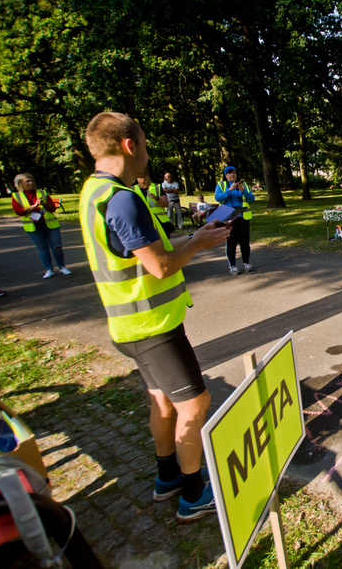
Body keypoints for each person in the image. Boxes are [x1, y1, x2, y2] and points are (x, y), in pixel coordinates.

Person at [79, 112, 231, 523]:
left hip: (128, 325)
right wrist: (197, 245)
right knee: (195, 404)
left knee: (163, 402)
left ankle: (168, 479)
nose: (147, 153)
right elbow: (160, 266)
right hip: (152, 329)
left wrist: (198, 235)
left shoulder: (96, 191)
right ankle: (194, 494)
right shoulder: (123, 199)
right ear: (129, 146)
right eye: (144, 144)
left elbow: (146, 250)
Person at [11, 173, 72, 279]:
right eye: (27, 181)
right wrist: (33, 206)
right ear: (20, 183)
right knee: (43, 248)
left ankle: (62, 267)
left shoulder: (42, 192)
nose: (31, 183)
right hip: (33, 226)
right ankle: (49, 269)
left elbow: (52, 208)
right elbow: (19, 211)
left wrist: (43, 204)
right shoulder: (16, 196)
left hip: (49, 223)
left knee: (57, 247)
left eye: (32, 181)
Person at [214, 165, 254, 274]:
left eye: (234, 173)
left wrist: (243, 191)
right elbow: (218, 198)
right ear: (226, 175)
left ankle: (246, 263)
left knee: (245, 242)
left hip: (243, 217)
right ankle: (232, 266)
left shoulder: (243, 185)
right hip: (229, 218)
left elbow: (252, 198)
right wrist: (229, 190)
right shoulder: (221, 185)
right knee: (231, 242)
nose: (232, 174)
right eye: (230, 173)